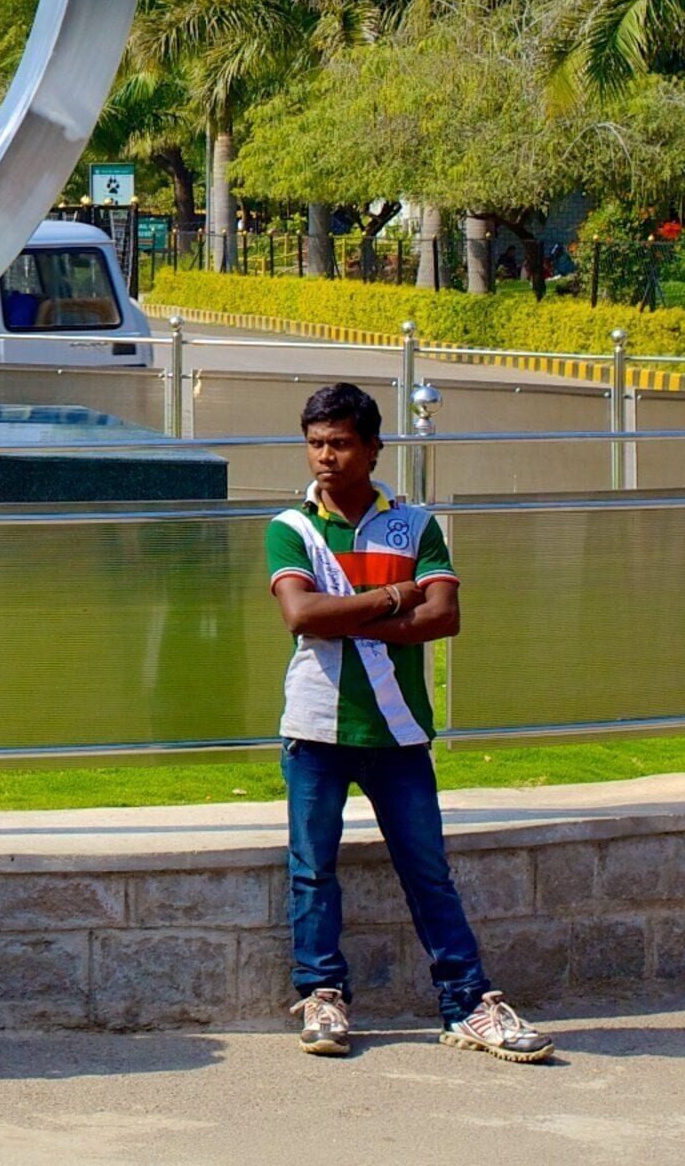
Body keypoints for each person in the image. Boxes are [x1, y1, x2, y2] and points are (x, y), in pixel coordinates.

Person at [269, 382, 550, 1064]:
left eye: (339, 443)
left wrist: (358, 611)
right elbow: (303, 617)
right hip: (316, 729)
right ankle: (323, 995)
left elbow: (444, 618)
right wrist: (396, 596)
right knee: (312, 870)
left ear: (372, 447)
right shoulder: (292, 528)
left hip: (397, 732)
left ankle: (467, 1003)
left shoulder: (415, 526)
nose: (325, 458)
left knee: (428, 872)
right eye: (314, 444)